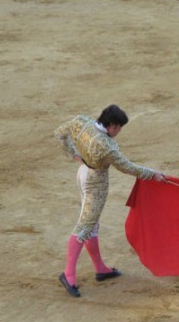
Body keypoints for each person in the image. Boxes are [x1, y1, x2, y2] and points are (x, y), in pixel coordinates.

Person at [54, 104, 166, 298]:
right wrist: (152, 174)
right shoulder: (107, 146)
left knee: (91, 224)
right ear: (112, 126)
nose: (119, 132)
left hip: (82, 173)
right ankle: (68, 274)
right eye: (119, 128)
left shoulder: (81, 121)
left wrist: (74, 154)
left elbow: (59, 133)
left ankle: (100, 268)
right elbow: (128, 167)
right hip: (95, 183)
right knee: (85, 225)